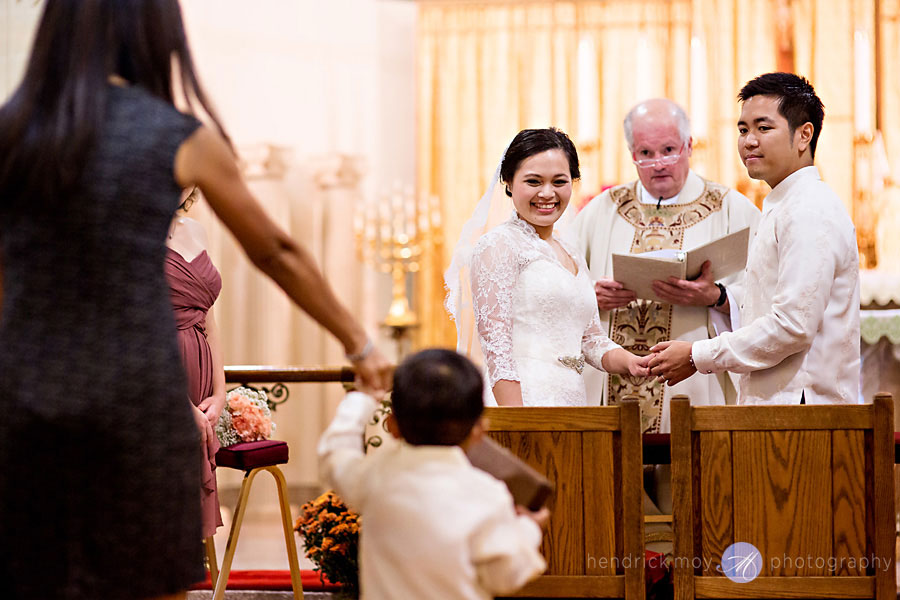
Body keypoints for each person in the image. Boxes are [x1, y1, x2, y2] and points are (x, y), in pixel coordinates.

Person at [0, 2, 391, 599]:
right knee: (151, 579)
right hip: (136, 403)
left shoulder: (12, 129)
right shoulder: (175, 136)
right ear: (155, 32)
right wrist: (357, 341)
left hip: (25, 398)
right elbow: (276, 252)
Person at [649, 73, 860, 405]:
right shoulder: (785, 202)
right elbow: (774, 300)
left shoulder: (809, 208)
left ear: (804, 134)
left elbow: (793, 326)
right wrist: (719, 297)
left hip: (804, 407)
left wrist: (696, 355)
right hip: (780, 404)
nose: (748, 141)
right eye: (743, 129)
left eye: (763, 128)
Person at [572, 99, 761, 432]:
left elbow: (768, 293)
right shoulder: (602, 210)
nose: (658, 163)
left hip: (694, 381)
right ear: (632, 154)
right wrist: (590, 297)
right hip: (612, 380)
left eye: (669, 150)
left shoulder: (731, 210)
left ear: (689, 146)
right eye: (645, 153)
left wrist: (717, 296)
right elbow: (558, 285)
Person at [319, 348, 548, 599]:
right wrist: (529, 528)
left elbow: (335, 454)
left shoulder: (375, 477)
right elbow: (505, 576)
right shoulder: (487, 494)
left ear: (392, 425)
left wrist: (361, 399)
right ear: (479, 429)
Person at [448, 128, 649, 407]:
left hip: (572, 401)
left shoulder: (571, 251)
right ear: (508, 182)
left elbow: (590, 339)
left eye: (559, 181)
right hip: (524, 403)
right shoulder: (498, 245)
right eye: (533, 181)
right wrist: (519, 424)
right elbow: (497, 347)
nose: (547, 193)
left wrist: (631, 361)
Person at [166, 188, 225, 540]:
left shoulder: (195, 229)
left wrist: (219, 392)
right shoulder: (135, 231)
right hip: (161, 374)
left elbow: (209, 319)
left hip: (201, 379)